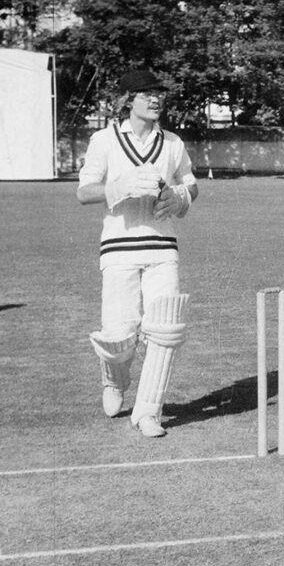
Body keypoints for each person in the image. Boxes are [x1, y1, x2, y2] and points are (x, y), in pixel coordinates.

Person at [77, 70, 198, 438]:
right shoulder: (105, 140)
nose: (156, 99)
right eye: (147, 94)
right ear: (129, 99)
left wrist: (179, 197)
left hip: (162, 246)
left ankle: (149, 411)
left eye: (159, 93)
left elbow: (191, 184)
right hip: (119, 247)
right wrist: (121, 185)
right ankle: (114, 381)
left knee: (165, 329)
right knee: (118, 335)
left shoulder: (173, 142)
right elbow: (84, 192)